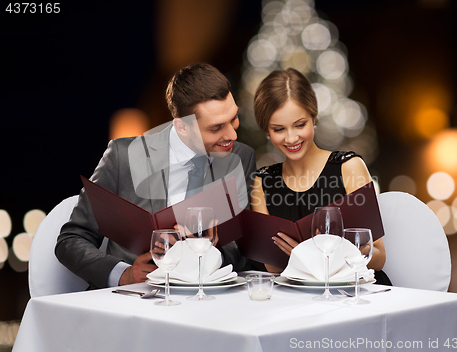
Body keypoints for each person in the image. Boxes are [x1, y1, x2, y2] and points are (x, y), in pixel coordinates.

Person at [56, 63, 256, 289]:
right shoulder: (124, 157)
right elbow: (70, 241)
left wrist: (210, 255)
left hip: (205, 299)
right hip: (131, 300)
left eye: (234, 118)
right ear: (182, 127)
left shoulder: (241, 157)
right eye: (216, 127)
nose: (232, 134)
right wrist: (124, 275)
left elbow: (241, 244)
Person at [251, 68, 391, 285]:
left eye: (300, 125)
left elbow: (378, 256)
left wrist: (307, 255)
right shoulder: (263, 182)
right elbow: (274, 266)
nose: (291, 138)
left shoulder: (349, 167)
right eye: (279, 129)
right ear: (267, 132)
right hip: (299, 296)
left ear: (313, 118)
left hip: (356, 293)